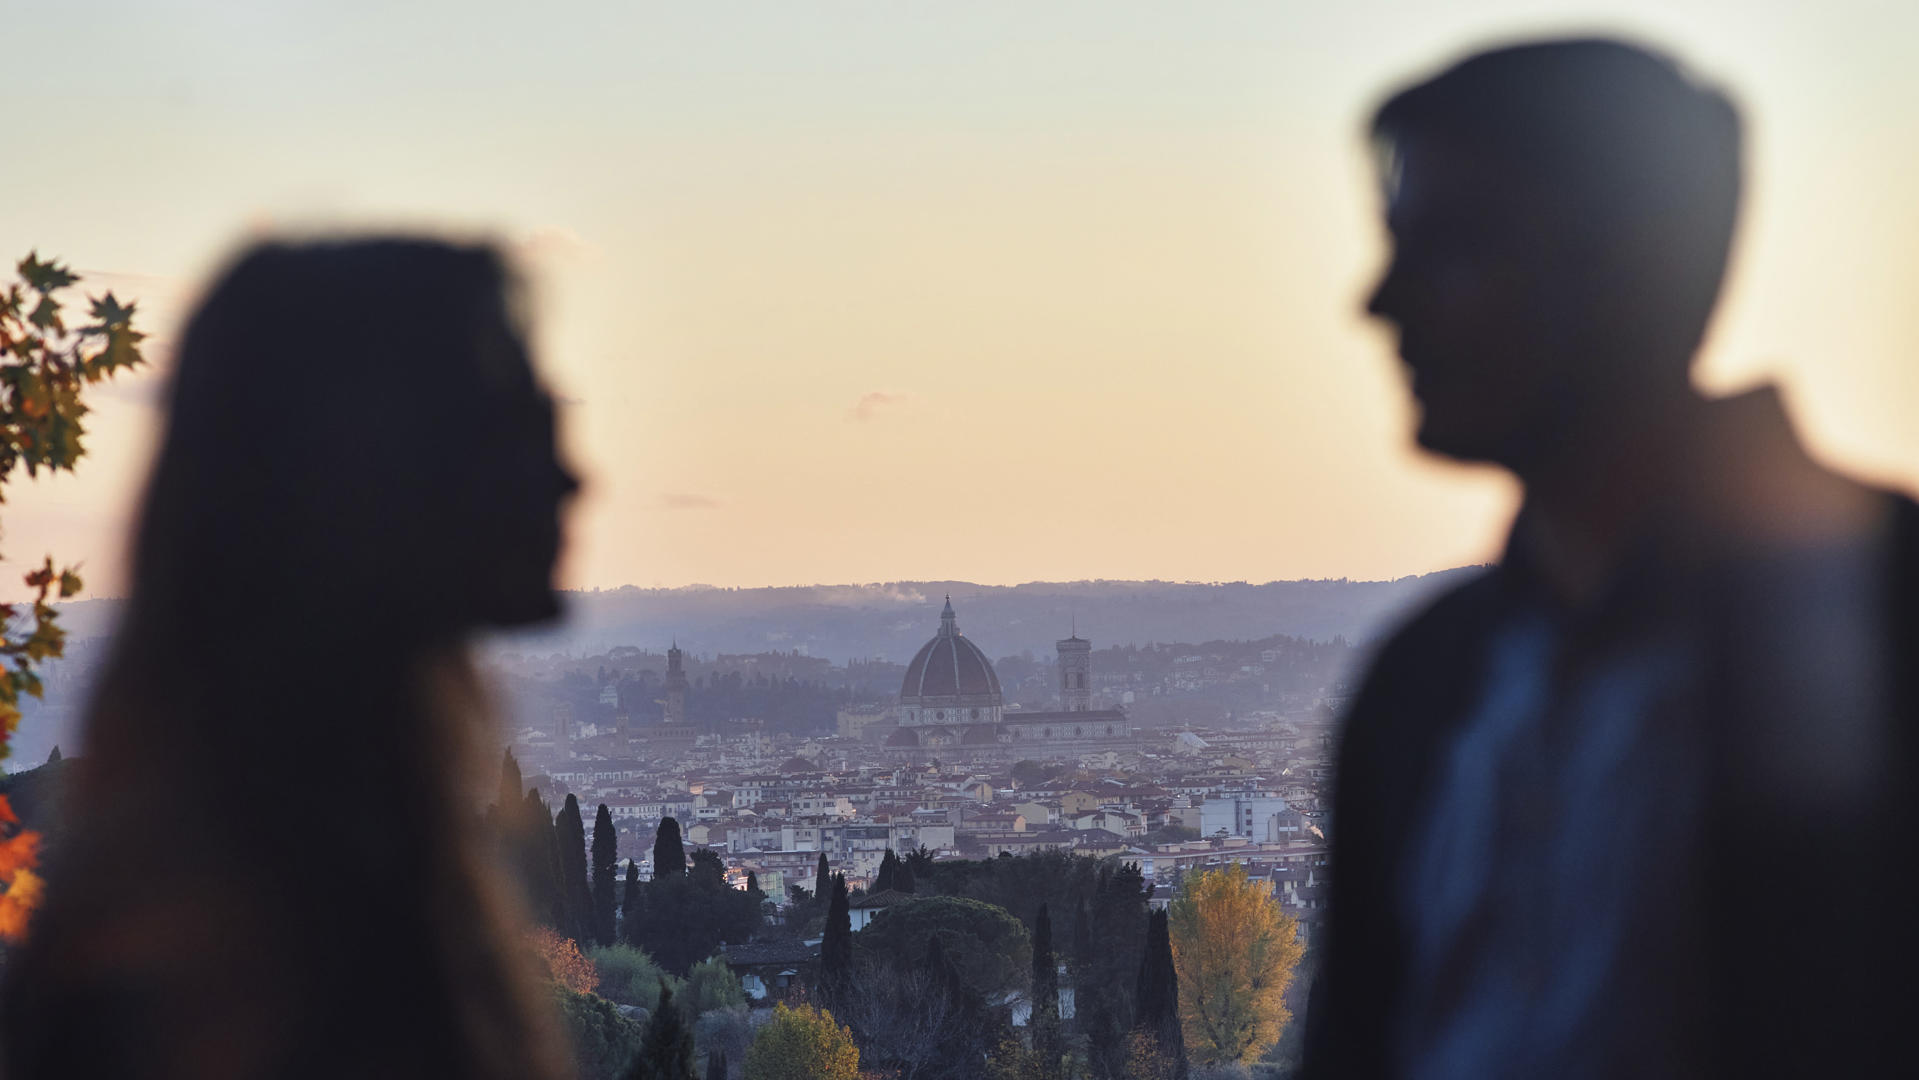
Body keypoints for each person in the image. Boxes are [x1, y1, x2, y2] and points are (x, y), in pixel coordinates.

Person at [1304, 39, 1917, 1078]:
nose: (1378, 302)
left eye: (1450, 246)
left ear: (1622, 265)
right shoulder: (1416, 685)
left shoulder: (1885, 622)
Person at [1, 239, 581, 1079]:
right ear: (370, 467)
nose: (571, 476)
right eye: (516, 423)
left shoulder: (316, 848)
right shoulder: (243, 926)